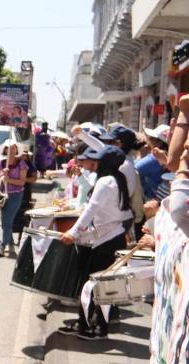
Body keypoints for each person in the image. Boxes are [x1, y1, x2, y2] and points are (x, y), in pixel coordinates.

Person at [59, 146, 133, 341]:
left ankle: (96, 328)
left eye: (98, 160)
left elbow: (91, 210)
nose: (95, 163)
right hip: (110, 237)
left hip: (107, 239)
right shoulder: (117, 179)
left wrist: (73, 233)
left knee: (95, 286)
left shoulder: (106, 182)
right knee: (98, 286)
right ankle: (87, 324)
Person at [0, 142, 28, 257]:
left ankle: (2, 246)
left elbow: (22, 182)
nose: (11, 151)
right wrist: (2, 175)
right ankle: (12, 245)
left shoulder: (21, 164)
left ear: (17, 150)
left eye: (13, 149)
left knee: (7, 221)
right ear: (4, 150)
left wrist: (9, 180)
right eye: (8, 149)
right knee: (5, 222)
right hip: (2, 195)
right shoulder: (1, 163)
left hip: (16, 195)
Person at [138, 124, 170, 201]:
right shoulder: (169, 158)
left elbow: (133, 170)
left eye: (151, 138)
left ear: (159, 143)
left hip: (148, 200)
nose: (148, 140)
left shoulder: (153, 158)